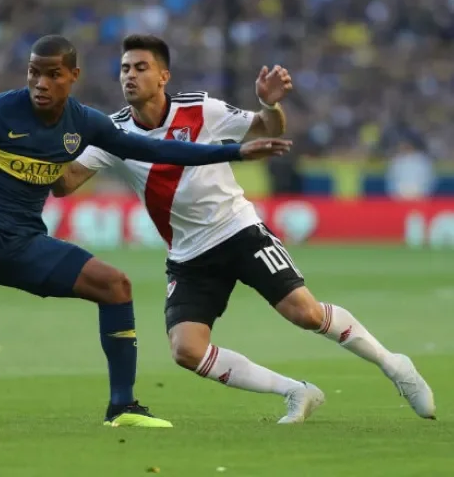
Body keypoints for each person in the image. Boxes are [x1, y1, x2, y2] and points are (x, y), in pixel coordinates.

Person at [0, 34, 291, 428]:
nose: (40, 84)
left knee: (115, 285)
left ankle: (122, 407)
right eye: (34, 73)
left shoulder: (84, 123)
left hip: (25, 241)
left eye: (52, 75)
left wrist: (233, 152)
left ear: (72, 76)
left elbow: (157, 150)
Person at [52, 34, 436, 423]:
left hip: (238, 230)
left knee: (305, 312)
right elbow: (65, 184)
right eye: (124, 69)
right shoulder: (114, 133)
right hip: (188, 255)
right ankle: (296, 391)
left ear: (163, 76)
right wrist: (47, 142)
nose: (129, 76)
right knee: (186, 350)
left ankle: (394, 365)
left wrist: (269, 104)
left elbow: (266, 127)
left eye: (140, 67)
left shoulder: (200, 109)